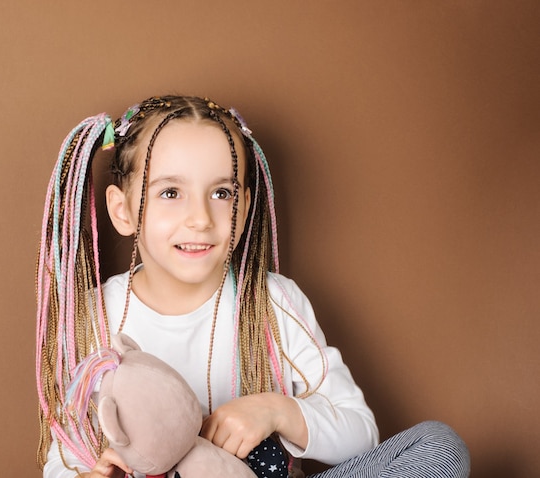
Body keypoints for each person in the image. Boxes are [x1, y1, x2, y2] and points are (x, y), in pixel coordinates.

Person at [35, 95, 470, 478]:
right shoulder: (92, 317)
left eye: (222, 194)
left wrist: (275, 412)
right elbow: (63, 458)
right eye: (171, 193)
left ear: (243, 211)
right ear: (122, 210)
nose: (201, 218)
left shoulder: (272, 301)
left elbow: (361, 434)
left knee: (438, 447)